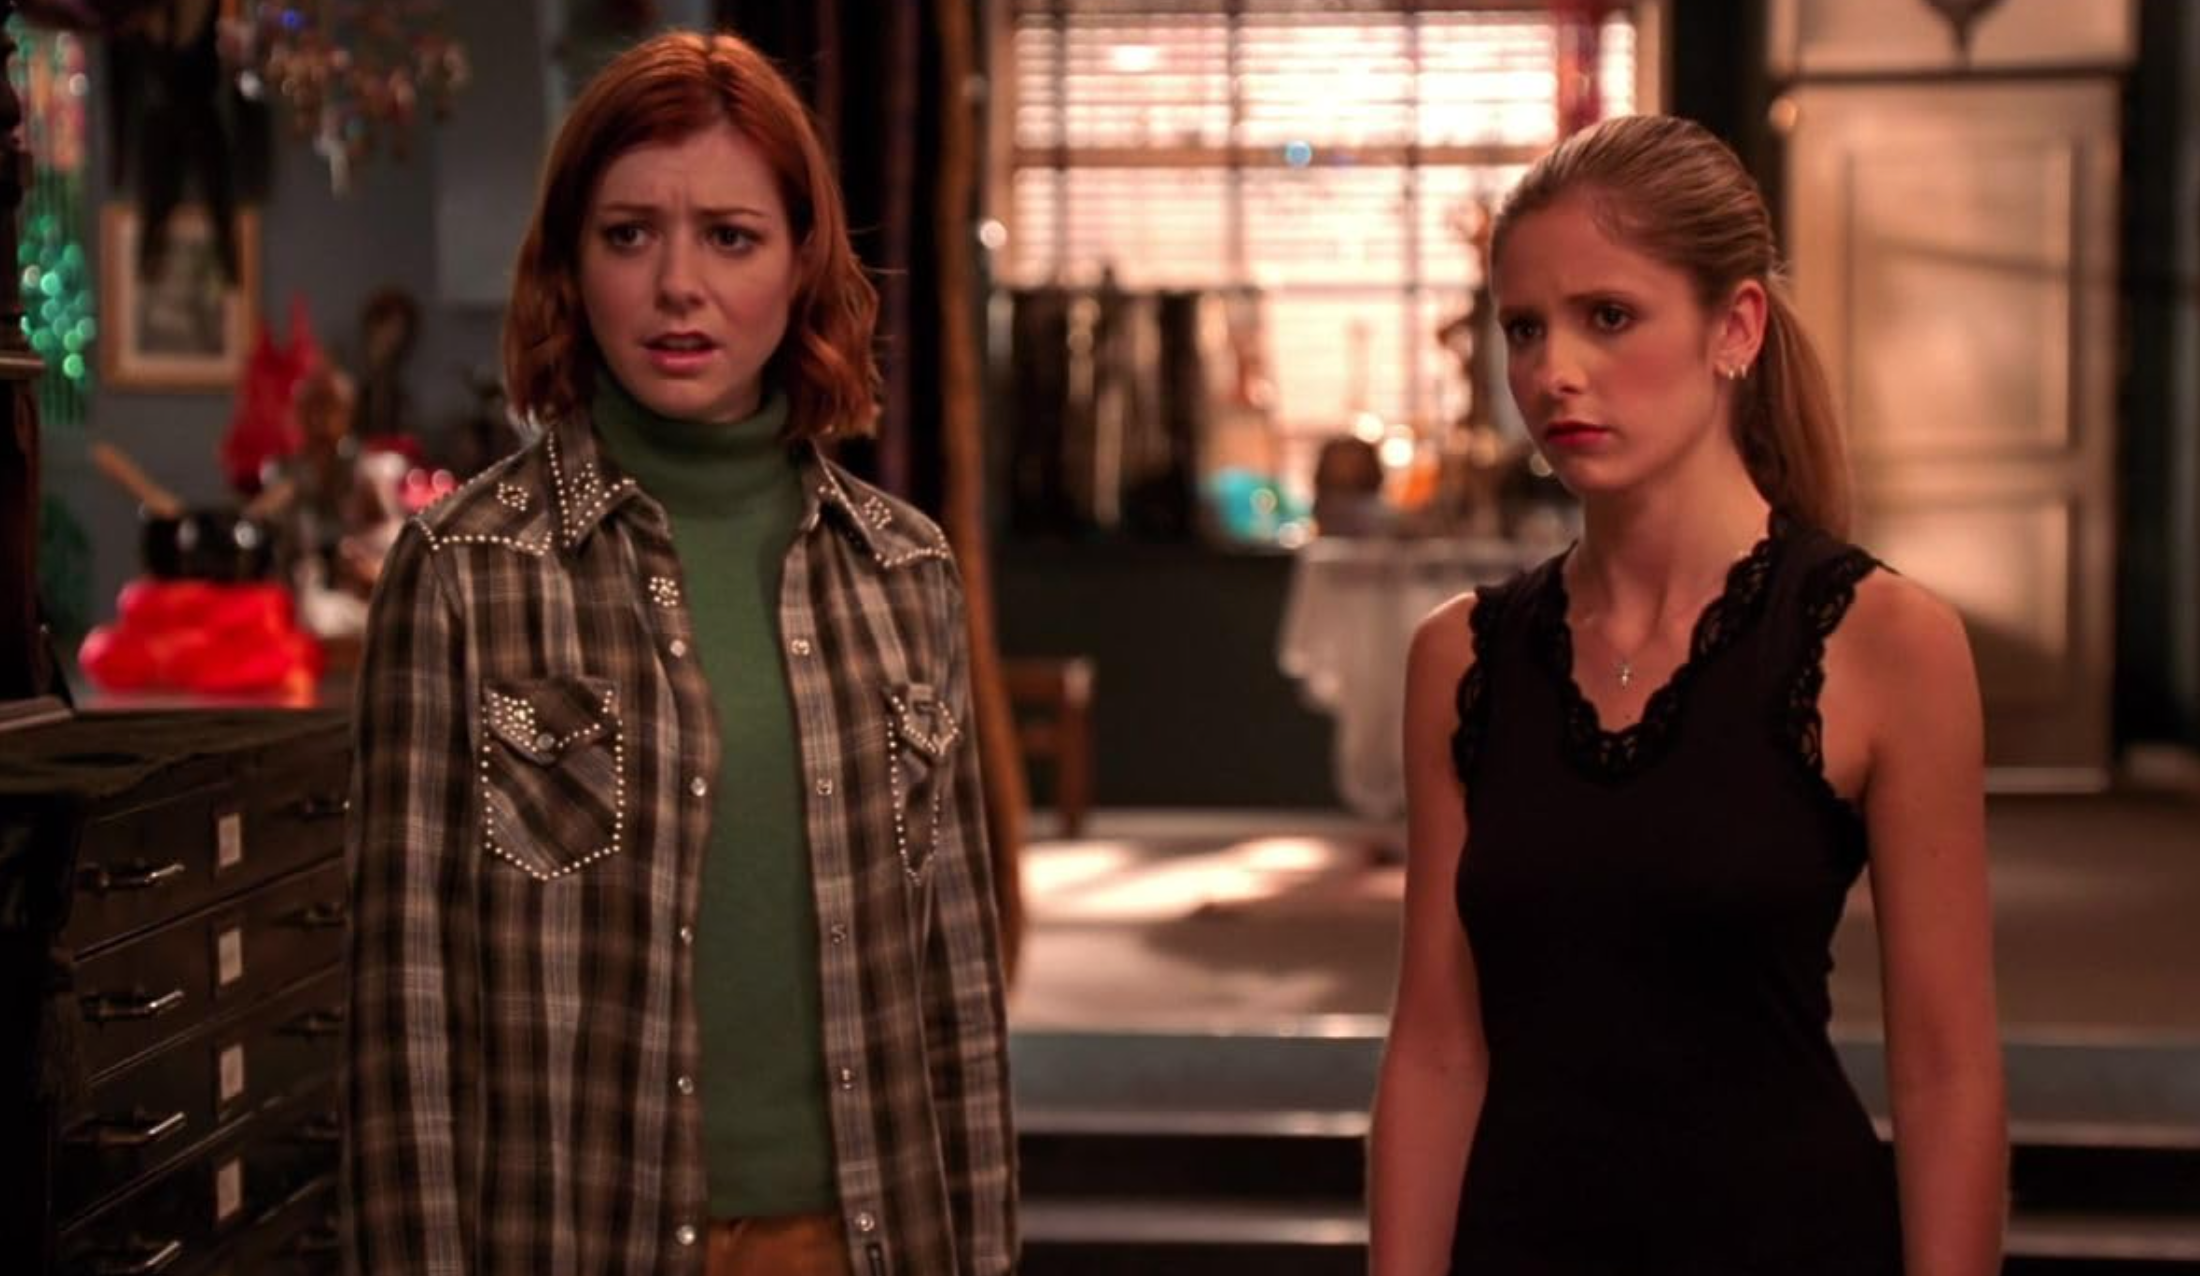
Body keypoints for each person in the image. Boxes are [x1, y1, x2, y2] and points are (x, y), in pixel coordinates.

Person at [345, 31, 1015, 1276]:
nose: (676, 285)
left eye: (730, 237)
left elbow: (957, 998)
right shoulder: (464, 574)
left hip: (850, 1241)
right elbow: (404, 1024)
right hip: (576, 1235)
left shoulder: (903, 571)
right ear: (570, 261)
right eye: (628, 234)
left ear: (801, 261)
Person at [1369, 114, 2005, 1275]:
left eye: (1608, 316)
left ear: (1735, 327)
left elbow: (1946, 1069)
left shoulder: (1885, 642)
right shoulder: (1460, 658)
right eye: (1524, 327)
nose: (1553, 371)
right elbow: (1435, 1049)